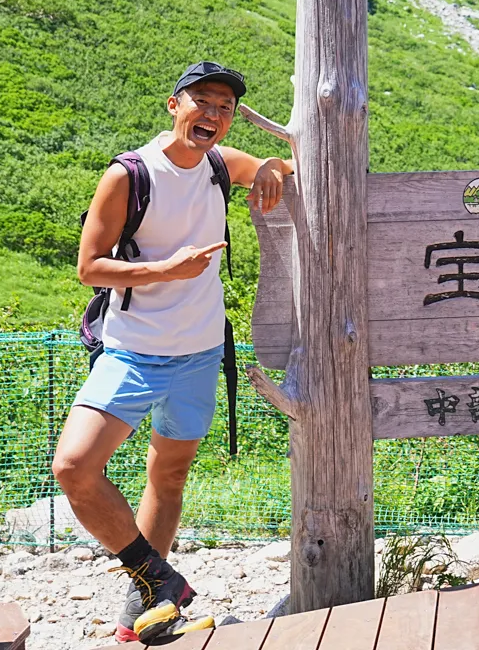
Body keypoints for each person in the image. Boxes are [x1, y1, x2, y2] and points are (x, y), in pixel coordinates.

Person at [52, 62, 290, 642]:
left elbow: (271, 166)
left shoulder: (214, 165)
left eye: (224, 108)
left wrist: (273, 167)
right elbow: (88, 267)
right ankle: (157, 574)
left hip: (202, 351)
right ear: (173, 105)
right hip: (133, 349)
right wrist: (164, 269)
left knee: (170, 474)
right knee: (76, 466)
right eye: (201, 102)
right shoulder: (130, 175)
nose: (212, 114)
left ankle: (148, 611)